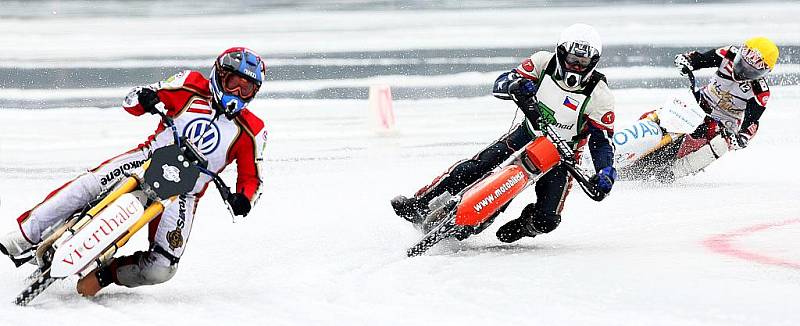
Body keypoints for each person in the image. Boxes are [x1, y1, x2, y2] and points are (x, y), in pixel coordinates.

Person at [0, 47, 268, 296]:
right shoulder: (189, 84)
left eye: (248, 89)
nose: (238, 94)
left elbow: (251, 177)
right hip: (147, 159)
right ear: (220, 75)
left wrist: (243, 198)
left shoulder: (252, 130)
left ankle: (106, 274)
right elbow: (134, 101)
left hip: (184, 193)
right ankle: (26, 235)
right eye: (235, 83)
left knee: (162, 267)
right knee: (89, 185)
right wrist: (145, 98)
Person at [391, 24, 617, 243]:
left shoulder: (600, 95)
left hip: (561, 157)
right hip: (527, 134)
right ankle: (420, 203)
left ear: (593, 62)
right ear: (560, 53)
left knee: (547, 220)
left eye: (583, 62)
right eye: (572, 60)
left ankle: (526, 225)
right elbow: (501, 82)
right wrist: (515, 86)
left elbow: (602, 143)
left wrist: (605, 171)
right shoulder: (541, 62)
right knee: (476, 167)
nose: (576, 67)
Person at [664, 37, 779, 180]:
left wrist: (742, 138)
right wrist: (686, 61)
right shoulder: (728, 53)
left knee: (722, 144)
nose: (743, 71)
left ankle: (673, 173)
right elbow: (699, 59)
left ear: (764, 72)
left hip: (723, 123)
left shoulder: (760, 92)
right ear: (740, 53)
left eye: (751, 70)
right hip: (700, 102)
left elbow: (751, 123)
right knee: (670, 107)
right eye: (742, 63)